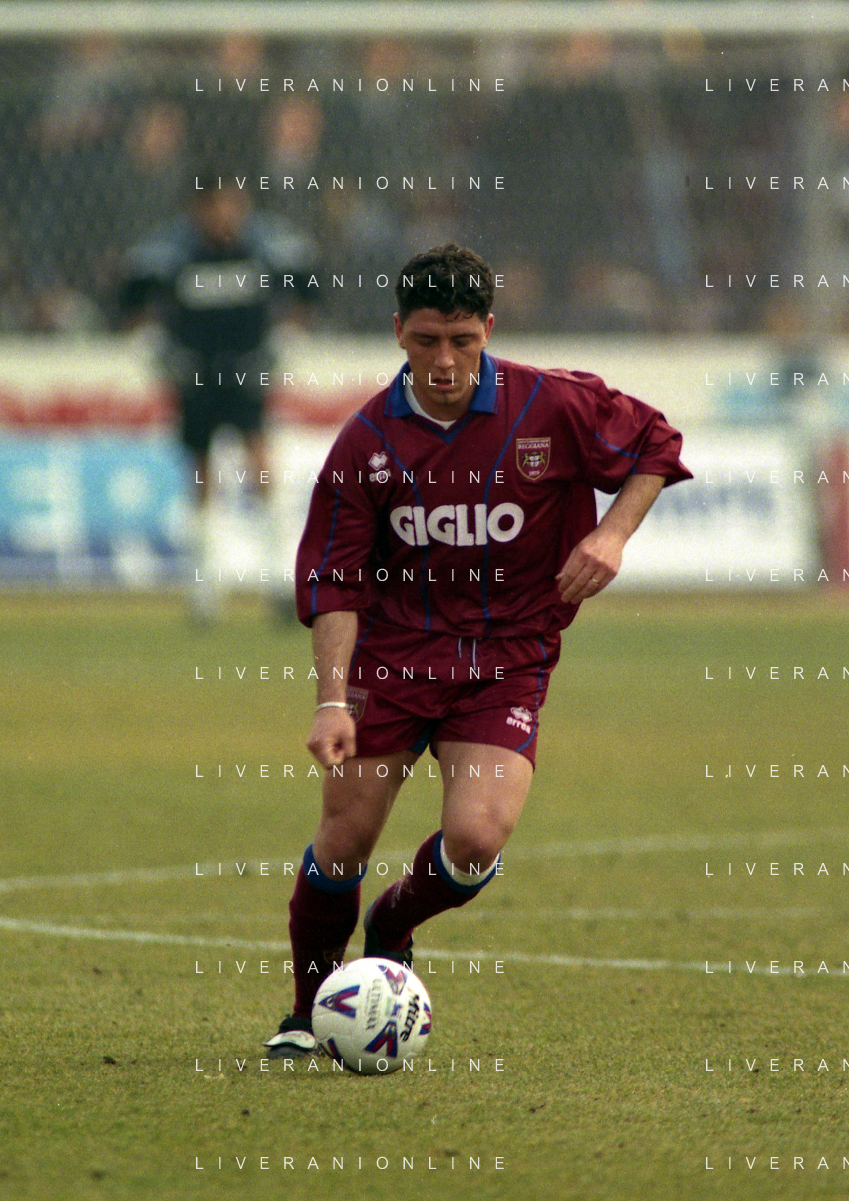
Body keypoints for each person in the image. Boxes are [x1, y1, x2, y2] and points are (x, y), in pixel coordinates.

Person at [264, 243, 691, 1056]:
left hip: (506, 659)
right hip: (393, 656)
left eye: (461, 340)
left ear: (487, 329)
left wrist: (611, 533)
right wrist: (330, 700)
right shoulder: (365, 441)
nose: (445, 361)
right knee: (343, 841)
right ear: (397, 331)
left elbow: (655, 444)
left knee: (476, 839)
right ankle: (306, 1012)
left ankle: (392, 923)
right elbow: (335, 580)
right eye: (427, 340)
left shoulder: (552, 405)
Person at [118, 174, 319, 615]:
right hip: (196, 376)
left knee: (260, 463)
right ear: (198, 209)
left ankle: (280, 578)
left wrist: (284, 341)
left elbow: (309, 292)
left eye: (233, 204)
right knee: (201, 473)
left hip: (247, 371)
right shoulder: (173, 253)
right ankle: (204, 587)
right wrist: (157, 350)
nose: (225, 215)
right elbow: (130, 300)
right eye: (215, 205)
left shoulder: (266, 248)